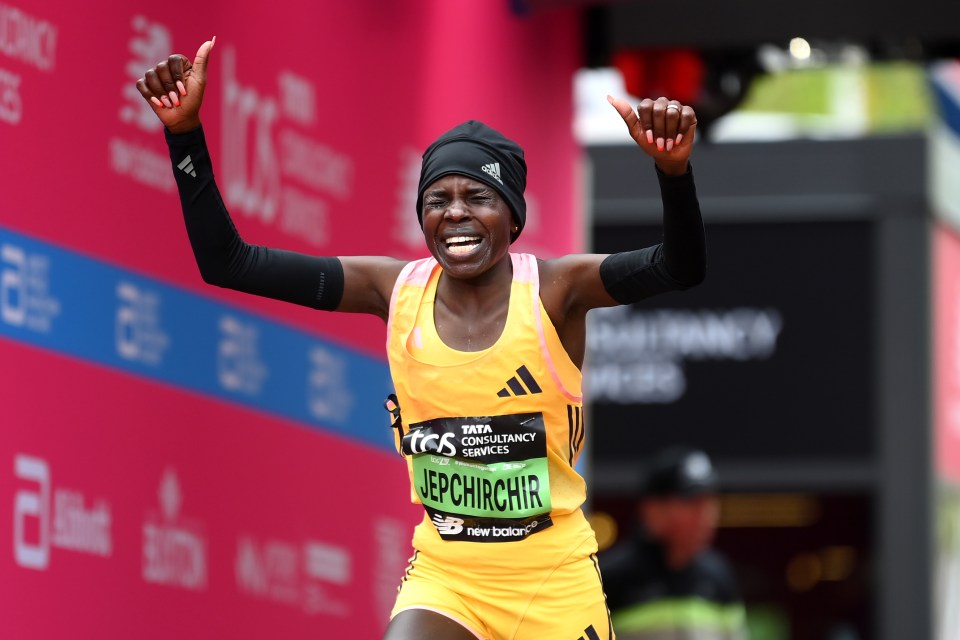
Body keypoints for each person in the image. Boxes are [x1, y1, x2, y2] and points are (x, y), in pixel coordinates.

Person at [136, 38, 706, 640]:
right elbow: (231, 263)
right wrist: (185, 135)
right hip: (448, 573)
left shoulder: (557, 290)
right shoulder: (393, 290)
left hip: (551, 576)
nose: (455, 213)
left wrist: (674, 173)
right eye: (438, 200)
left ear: (513, 217)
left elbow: (680, 266)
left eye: (477, 197)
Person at [599, 447, 747, 640]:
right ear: (652, 510)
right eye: (692, 503)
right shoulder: (610, 578)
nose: (706, 516)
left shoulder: (719, 576)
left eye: (710, 503)